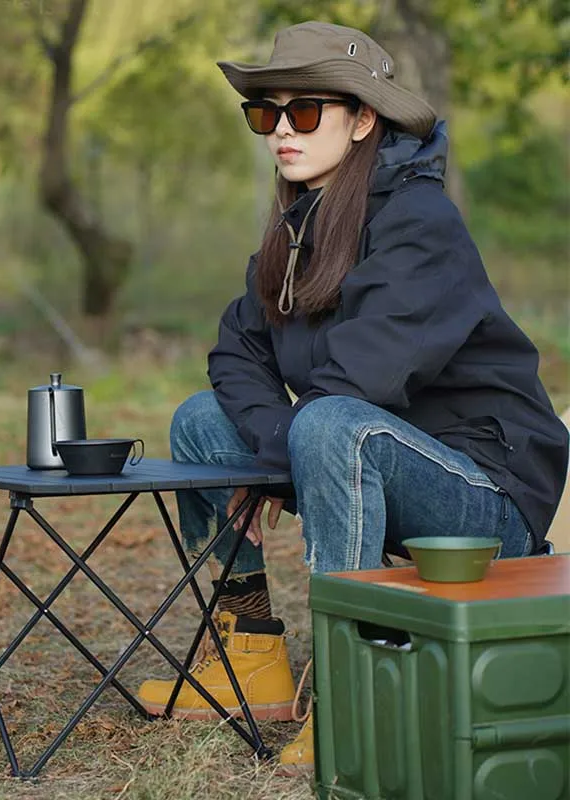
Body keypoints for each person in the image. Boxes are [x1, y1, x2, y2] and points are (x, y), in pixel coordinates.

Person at [137, 21, 570, 772]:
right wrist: (276, 454)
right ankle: (254, 653)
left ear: (363, 118)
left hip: (485, 499)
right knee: (202, 423)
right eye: (264, 113)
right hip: (361, 452)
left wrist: (282, 459)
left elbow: (359, 383)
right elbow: (234, 351)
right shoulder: (297, 226)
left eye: (305, 112)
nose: (280, 130)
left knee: (333, 424)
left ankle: (350, 693)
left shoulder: (420, 224)